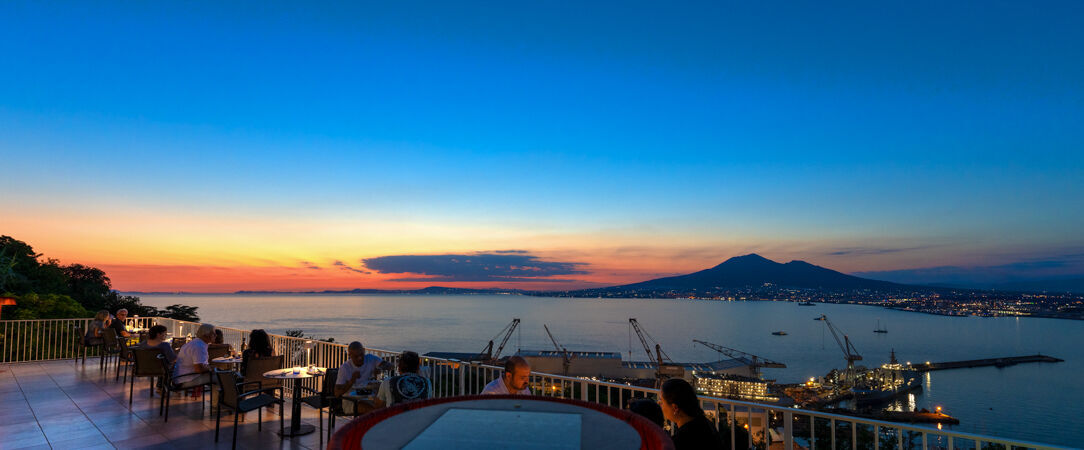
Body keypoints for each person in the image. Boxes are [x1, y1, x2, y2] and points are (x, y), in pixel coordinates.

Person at [658, 378, 724, 450]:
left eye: (661, 401)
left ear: (675, 408)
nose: (659, 403)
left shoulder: (682, 440)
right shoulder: (704, 424)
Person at [334, 341, 393, 414]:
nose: (360, 358)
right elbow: (337, 393)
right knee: (376, 412)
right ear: (350, 355)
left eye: (361, 355)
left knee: (385, 406)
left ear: (364, 351)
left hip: (369, 398)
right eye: (356, 356)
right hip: (352, 401)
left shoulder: (371, 359)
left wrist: (380, 368)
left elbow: (390, 366)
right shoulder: (345, 368)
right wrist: (352, 380)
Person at [173, 323, 215, 388]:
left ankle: (220, 397)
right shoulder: (199, 347)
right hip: (185, 380)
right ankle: (224, 397)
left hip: (180, 378)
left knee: (220, 375)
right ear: (206, 334)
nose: (216, 335)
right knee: (221, 378)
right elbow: (199, 369)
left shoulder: (195, 343)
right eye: (213, 333)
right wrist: (212, 369)